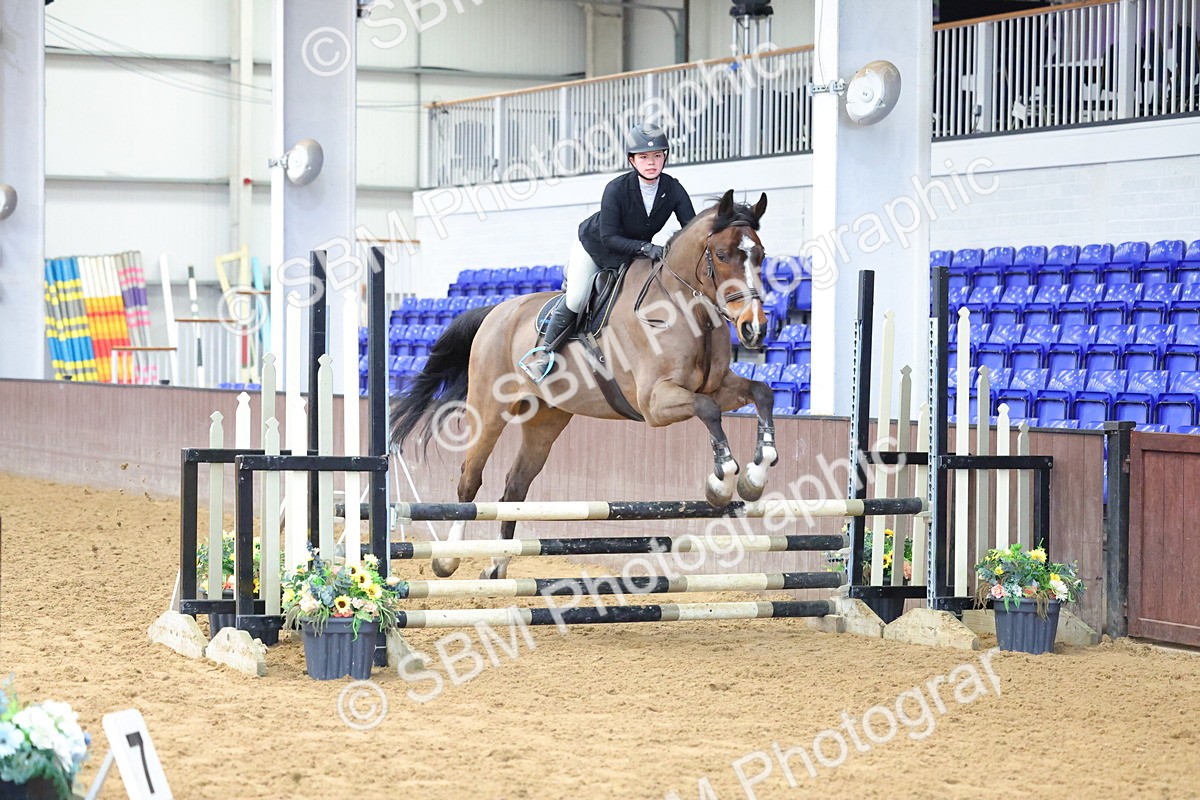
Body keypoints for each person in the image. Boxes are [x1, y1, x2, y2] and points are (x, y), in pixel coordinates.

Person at [519, 123, 696, 382]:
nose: (651, 163)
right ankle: (544, 353)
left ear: (665, 157)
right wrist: (646, 247)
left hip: (632, 255)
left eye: (657, 156)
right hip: (597, 247)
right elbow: (609, 237)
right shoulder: (616, 188)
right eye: (644, 157)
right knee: (578, 298)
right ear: (632, 160)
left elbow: (690, 228)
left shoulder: (673, 188)